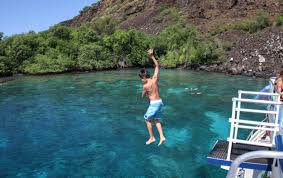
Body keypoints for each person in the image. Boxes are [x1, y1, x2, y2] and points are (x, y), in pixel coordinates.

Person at [139, 49, 166, 146]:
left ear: (144, 77)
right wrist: (152, 56)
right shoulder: (154, 79)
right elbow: (157, 66)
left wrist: (143, 94)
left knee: (146, 119)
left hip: (154, 104)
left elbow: (143, 95)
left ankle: (152, 137)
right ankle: (162, 137)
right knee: (156, 120)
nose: (141, 80)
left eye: (141, 78)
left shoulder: (145, 86)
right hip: (159, 102)